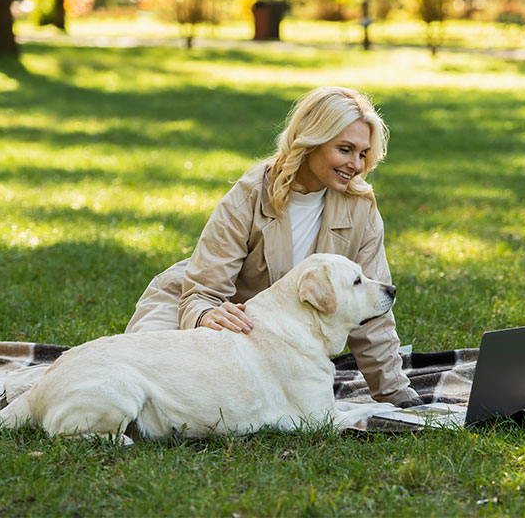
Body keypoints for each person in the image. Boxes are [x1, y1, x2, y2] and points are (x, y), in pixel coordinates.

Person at [124, 86, 419, 406]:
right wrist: (206, 316)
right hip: (192, 304)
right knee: (143, 382)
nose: (356, 164)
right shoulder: (251, 193)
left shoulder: (361, 208)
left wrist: (396, 393)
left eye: (362, 154)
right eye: (345, 149)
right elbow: (202, 292)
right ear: (311, 141)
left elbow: (370, 306)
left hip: (268, 341)